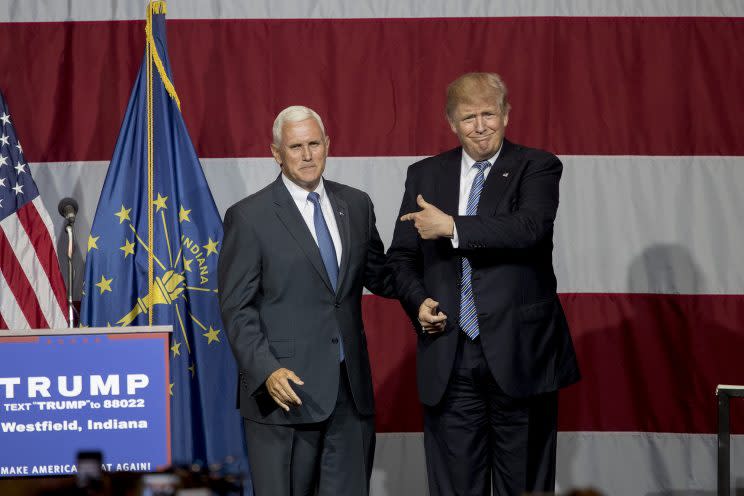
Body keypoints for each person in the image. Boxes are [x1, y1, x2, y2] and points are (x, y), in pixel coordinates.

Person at [386, 72, 580, 496]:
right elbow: (401, 258)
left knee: (525, 486)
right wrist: (418, 304)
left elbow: (528, 228)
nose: (480, 126)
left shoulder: (537, 165)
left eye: (489, 114)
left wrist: (451, 226)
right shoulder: (424, 175)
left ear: (506, 115)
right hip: (449, 356)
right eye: (468, 117)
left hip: (520, 355)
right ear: (451, 122)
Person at [218, 105, 392, 495]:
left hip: (349, 393)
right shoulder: (249, 217)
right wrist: (266, 371)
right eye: (296, 147)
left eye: (314, 143)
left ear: (328, 145)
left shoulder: (357, 204)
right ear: (276, 153)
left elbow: (381, 275)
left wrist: (432, 261)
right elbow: (236, 307)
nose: (308, 155)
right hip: (285, 393)